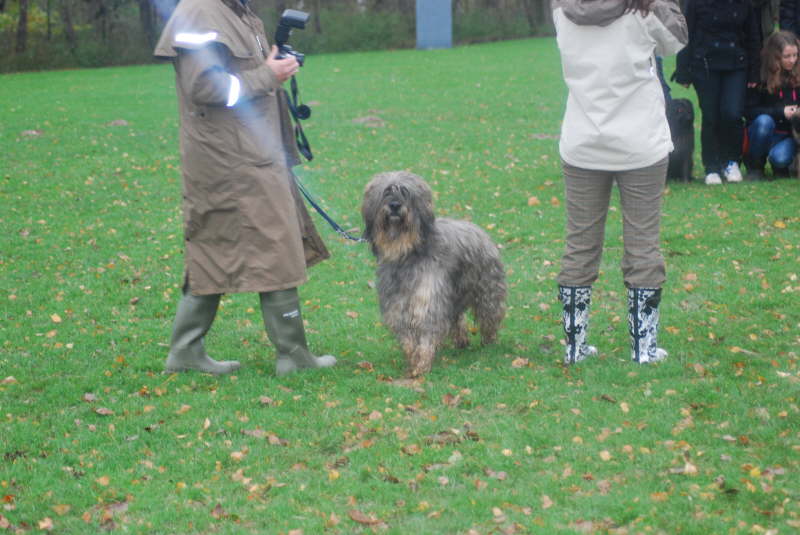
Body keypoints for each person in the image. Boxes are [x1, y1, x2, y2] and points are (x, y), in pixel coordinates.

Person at [153, 0, 336, 376]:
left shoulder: (237, 11)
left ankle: (185, 352)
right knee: (275, 245)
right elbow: (205, 86)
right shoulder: (201, 11)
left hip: (247, 152)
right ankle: (293, 356)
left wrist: (271, 66)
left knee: (217, 248)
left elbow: (237, 73)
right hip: (230, 160)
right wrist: (267, 75)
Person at [551, 0, 687, 365]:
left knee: (579, 244)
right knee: (643, 243)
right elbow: (677, 41)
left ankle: (574, 348)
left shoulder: (563, 9)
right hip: (639, 142)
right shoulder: (643, 11)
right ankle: (643, 349)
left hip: (583, 140)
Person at [673, 0, 762, 185]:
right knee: (711, 115)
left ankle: (731, 162)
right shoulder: (696, 4)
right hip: (705, 64)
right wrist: (683, 70)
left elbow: (754, 36)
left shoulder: (745, 5)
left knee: (732, 113)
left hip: (736, 63)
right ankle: (711, 166)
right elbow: (686, 33)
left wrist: (755, 72)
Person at [744, 30, 800, 179]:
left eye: (795, 55)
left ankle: (781, 165)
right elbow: (749, 111)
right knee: (764, 122)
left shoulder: (797, 74)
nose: (792, 60)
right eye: (787, 56)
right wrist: (781, 112)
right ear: (775, 57)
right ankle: (756, 166)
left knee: (780, 158)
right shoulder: (760, 77)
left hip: (789, 134)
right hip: (764, 130)